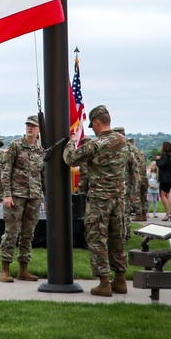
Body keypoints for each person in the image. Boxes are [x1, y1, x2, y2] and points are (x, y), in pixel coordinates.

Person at [63, 104, 131, 297]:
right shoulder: (123, 142)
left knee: (97, 239)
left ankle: (103, 283)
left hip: (100, 201)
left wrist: (71, 142)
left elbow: (70, 159)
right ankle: (120, 280)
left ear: (96, 122)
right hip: (119, 200)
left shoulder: (96, 145)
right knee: (117, 239)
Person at [0, 115, 45, 283]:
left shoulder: (41, 149)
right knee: (11, 233)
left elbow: (43, 175)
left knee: (28, 234)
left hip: (34, 196)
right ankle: (4, 269)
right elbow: (6, 171)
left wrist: (45, 197)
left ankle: (23, 269)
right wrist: (7, 194)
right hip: (16, 196)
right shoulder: (15, 146)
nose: (30, 128)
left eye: (33, 126)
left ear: (39, 129)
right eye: (28, 125)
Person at [127, 137, 148, 222]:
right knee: (144, 196)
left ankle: (138, 214)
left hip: (137, 176)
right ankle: (144, 214)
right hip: (144, 176)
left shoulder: (131, 151)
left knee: (137, 196)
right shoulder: (141, 152)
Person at [155, 141, 171, 221]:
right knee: (167, 196)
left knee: (162, 195)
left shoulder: (166, 156)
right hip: (169, 178)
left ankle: (168, 213)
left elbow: (161, 165)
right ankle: (169, 211)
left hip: (165, 179)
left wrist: (157, 160)